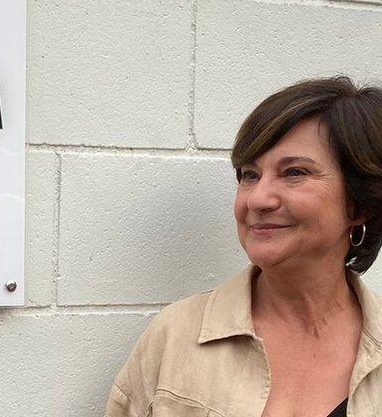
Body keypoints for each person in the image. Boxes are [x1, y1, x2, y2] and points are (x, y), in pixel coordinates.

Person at [105, 77, 382, 417]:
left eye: (294, 172)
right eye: (249, 175)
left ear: (360, 203)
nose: (258, 199)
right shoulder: (175, 336)